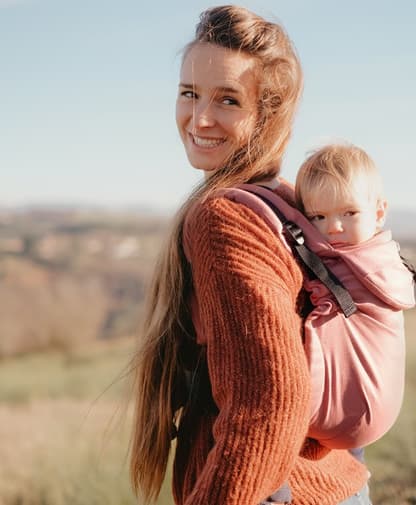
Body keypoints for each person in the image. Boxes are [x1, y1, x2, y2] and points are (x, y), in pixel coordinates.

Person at [130, 5, 371, 505]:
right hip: (337, 485)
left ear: (267, 112)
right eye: (189, 93)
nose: (200, 118)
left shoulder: (225, 219)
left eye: (228, 100)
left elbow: (269, 401)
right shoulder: (286, 201)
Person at [294, 142, 416, 455]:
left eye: (349, 212)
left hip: (340, 415)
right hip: (371, 417)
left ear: (379, 213)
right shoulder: (388, 258)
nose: (333, 227)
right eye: (317, 217)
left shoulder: (363, 265)